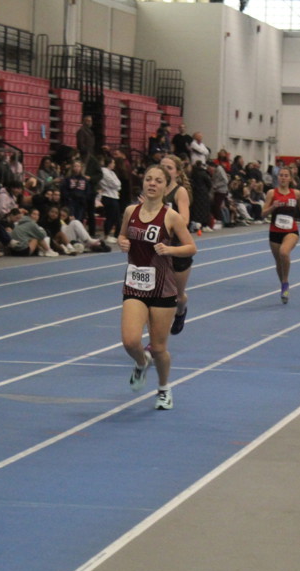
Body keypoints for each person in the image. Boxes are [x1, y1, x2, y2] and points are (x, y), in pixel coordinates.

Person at [118, 164, 196, 410]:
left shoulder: (171, 216)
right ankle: (142, 362)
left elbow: (191, 247)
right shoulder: (130, 211)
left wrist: (169, 249)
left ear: (165, 186)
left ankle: (163, 389)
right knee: (130, 341)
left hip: (163, 288)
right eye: (148, 179)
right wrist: (122, 242)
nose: (152, 183)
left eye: (158, 181)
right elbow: (122, 235)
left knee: (160, 348)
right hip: (134, 285)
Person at [262, 166, 300, 304]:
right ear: (278, 177)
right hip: (275, 232)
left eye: (286, 175)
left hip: (291, 231)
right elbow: (263, 214)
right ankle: (283, 284)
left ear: (290, 178)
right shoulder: (271, 193)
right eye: (281, 175)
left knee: (284, 252)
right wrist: (273, 206)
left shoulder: (296, 193)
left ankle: (286, 281)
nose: (283, 178)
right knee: (279, 262)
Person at [160, 154, 193, 334]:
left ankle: (180, 312)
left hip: (177, 249)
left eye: (169, 167)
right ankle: (157, 336)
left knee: (177, 296)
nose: (164, 170)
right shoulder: (154, 189)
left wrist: (166, 220)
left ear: (178, 173)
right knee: (159, 295)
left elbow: (185, 220)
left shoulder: (179, 192)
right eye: (162, 166)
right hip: (157, 249)